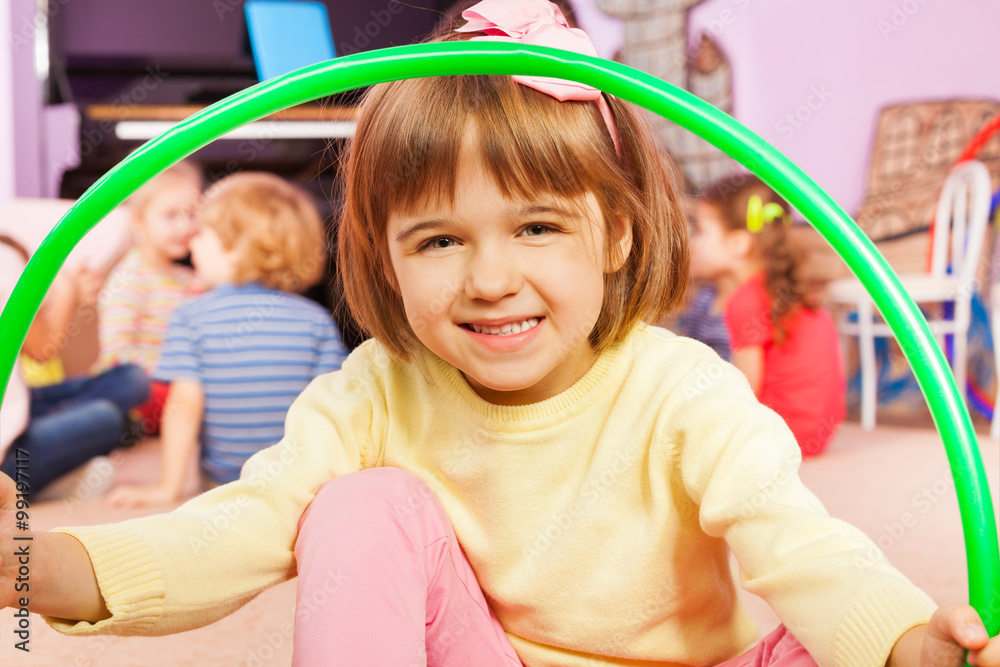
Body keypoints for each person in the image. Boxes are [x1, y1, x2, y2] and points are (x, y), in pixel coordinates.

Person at [1, 2, 997, 666]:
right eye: (437, 237)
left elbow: (798, 543)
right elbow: (242, 525)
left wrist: (906, 639)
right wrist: (45, 567)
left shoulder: (683, 389)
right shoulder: (371, 393)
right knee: (355, 504)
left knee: (826, 638)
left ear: (611, 232)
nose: (488, 279)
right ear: (384, 255)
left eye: (535, 226)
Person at [103, 172, 349, 508]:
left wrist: (167, 487)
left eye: (200, 235)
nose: (190, 243)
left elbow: (183, 406)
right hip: (300, 486)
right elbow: (333, 405)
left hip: (222, 485)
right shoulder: (317, 321)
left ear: (232, 249)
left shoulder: (190, 316)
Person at [689, 173, 846, 457]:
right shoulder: (787, 289)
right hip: (817, 432)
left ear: (739, 243)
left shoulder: (745, 301)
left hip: (781, 434)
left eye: (700, 230)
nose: (694, 241)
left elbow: (746, 388)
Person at [0, 235, 149, 495]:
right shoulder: (5, 258)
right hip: (7, 461)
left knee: (130, 378)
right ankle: (46, 478)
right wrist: (68, 288)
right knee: (107, 416)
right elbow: (44, 348)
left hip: (16, 408)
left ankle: (58, 457)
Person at [91, 160, 203, 434]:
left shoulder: (190, 279)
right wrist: (176, 370)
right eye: (170, 216)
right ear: (139, 220)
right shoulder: (130, 278)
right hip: (145, 384)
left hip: (180, 385)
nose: (184, 226)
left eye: (191, 214)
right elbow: (117, 353)